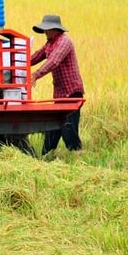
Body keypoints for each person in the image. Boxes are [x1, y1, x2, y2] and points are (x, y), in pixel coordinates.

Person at [29, 13, 84, 154]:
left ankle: (77, 154)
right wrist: (18, 63)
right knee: (54, 126)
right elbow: (36, 56)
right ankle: (46, 155)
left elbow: (53, 61)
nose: (45, 32)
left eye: (47, 29)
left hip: (71, 91)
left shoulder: (64, 42)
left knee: (67, 126)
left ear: (55, 29)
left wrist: (35, 75)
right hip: (60, 93)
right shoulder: (50, 43)